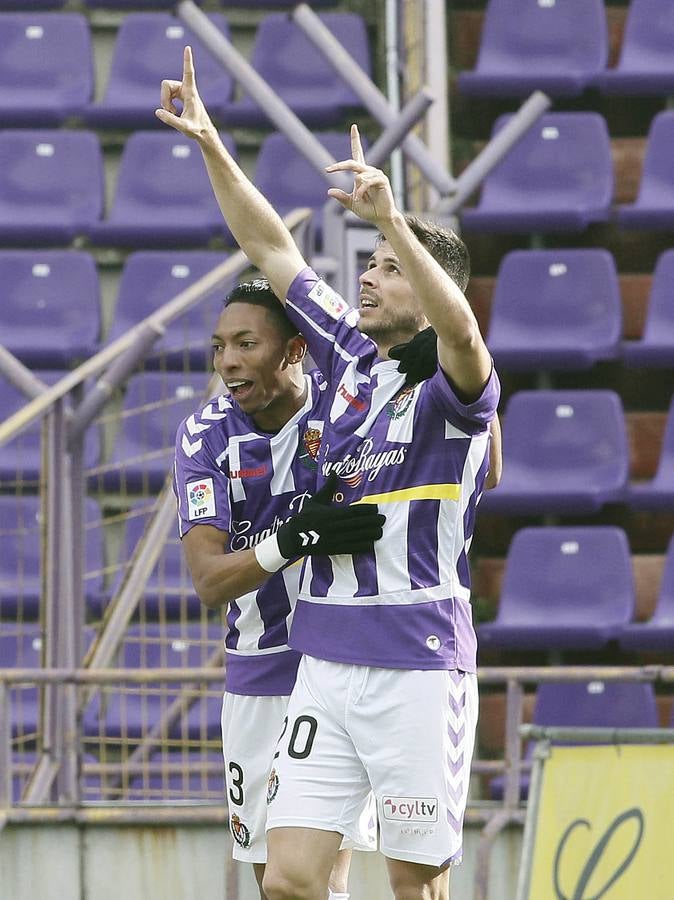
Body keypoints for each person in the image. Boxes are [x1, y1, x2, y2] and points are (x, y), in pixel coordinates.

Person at [159, 47, 500, 900]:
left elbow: (461, 336)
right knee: (290, 880)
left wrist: (393, 223)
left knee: (416, 882)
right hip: (325, 657)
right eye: (373, 263)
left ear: (428, 287)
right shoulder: (349, 354)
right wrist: (209, 141)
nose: (370, 278)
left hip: (417, 658)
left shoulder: (455, 391)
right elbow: (269, 243)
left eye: (388, 269)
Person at [173, 279, 386, 899]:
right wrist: (293, 539)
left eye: (246, 343)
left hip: (341, 662)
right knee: (280, 885)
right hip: (260, 675)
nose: (228, 362)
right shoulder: (205, 437)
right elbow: (210, 581)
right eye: (219, 348)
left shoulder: (345, 409)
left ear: (295, 349)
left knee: (320, 875)